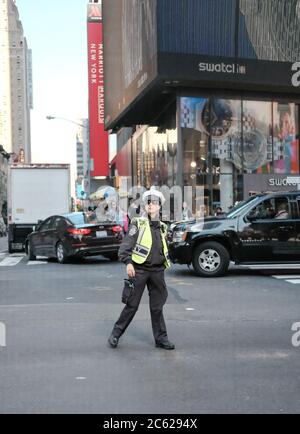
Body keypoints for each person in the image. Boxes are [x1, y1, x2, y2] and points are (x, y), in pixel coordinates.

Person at [108, 187, 175, 350]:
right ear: (145, 206)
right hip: (140, 270)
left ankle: (161, 339)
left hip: (157, 271)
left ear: (159, 206)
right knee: (132, 305)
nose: (151, 205)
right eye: (148, 202)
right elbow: (125, 247)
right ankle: (115, 334)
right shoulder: (137, 223)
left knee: (157, 307)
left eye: (154, 202)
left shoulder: (163, 227)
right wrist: (129, 263)